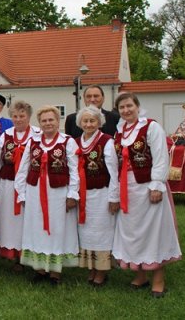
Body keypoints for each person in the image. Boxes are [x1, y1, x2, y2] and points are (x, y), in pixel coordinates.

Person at [111, 92, 182, 298]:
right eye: (122, 108)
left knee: (154, 232)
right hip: (128, 189)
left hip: (148, 185)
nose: (126, 110)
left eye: (129, 106)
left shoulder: (151, 127)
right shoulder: (120, 132)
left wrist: (156, 185)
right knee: (134, 232)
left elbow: (160, 157)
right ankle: (140, 274)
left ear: (137, 106)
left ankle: (158, 279)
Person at [14, 106, 79, 285]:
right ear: (39, 123)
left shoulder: (68, 141)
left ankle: (55, 272)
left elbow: (75, 170)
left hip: (58, 193)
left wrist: (73, 194)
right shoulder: (32, 141)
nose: (48, 123)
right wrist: (21, 192)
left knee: (57, 229)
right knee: (36, 228)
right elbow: (23, 168)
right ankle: (40, 269)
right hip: (35, 191)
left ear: (58, 121)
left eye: (51, 120)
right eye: (44, 120)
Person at [74, 105, 119, 287]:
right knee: (86, 232)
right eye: (85, 120)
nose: (89, 124)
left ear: (99, 122)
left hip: (102, 192)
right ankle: (91, 267)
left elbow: (113, 171)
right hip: (82, 195)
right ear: (80, 123)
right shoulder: (76, 142)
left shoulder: (106, 141)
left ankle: (102, 270)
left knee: (102, 231)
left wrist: (113, 197)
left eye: (92, 120)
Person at [0, 100, 39, 268]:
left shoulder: (37, 134)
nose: (18, 119)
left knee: (28, 219)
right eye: (15, 116)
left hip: (29, 185)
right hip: (8, 184)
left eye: (22, 116)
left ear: (29, 116)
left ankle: (27, 252)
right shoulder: (6, 135)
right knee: (9, 219)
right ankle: (11, 253)